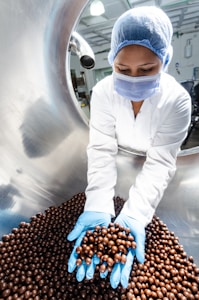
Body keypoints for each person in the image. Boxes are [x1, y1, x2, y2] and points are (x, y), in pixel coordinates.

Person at [67, 6, 191, 289]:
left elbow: (160, 163)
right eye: (122, 69)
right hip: (117, 161)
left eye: (147, 69)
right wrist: (98, 204)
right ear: (111, 61)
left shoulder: (177, 100)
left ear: (165, 60)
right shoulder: (102, 92)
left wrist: (135, 214)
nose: (133, 78)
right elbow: (101, 150)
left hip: (152, 169)